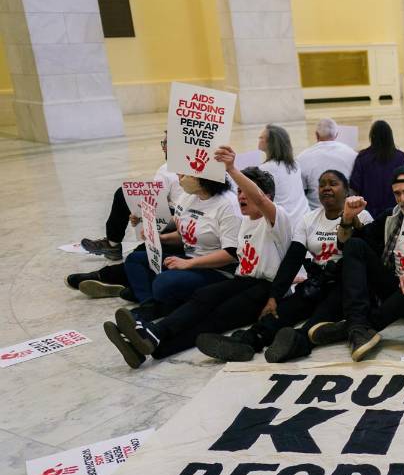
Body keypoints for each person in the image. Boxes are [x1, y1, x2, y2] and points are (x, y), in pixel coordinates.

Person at [104, 150, 291, 368]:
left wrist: (230, 169)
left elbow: (256, 199)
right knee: (204, 298)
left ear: (266, 197)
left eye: (245, 192)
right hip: (243, 280)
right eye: (239, 191)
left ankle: (153, 333)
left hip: (266, 286)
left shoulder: (278, 219)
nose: (240, 195)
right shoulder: (247, 221)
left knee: (215, 316)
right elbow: (182, 227)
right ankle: (150, 344)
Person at [196, 169, 372, 363]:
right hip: (316, 282)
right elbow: (292, 259)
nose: (326, 188)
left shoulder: (362, 216)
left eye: (333, 183)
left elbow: (367, 256)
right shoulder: (309, 219)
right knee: (281, 311)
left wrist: (351, 219)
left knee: (318, 321)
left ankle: (299, 342)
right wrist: (274, 297)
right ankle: (248, 340)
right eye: (322, 184)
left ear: (347, 190)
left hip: (345, 286)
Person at [307, 165, 404, 360]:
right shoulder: (391, 216)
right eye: (397, 194)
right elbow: (345, 244)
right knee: (356, 245)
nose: (403, 199)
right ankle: (357, 324)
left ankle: (359, 326)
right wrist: (348, 217)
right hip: (394, 287)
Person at [114, 173, 241, 318]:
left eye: (186, 174)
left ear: (205, 179)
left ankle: (152, 296)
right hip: (189, 258)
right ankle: (150, 304)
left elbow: (231, 254)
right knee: (134, 259)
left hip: (218, 269)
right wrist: (154, 231)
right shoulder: (188, 196)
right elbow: (184, 232)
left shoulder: (228, 206)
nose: (179, 176)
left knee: (163, 282)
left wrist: (189, 264)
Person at [78, 137, 180, 261]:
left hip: (184, 219)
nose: (163, 147)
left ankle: (113, 244)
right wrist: (141, 215)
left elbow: (158, 202)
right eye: (163, 143)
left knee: (123, 194)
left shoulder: (167, 170)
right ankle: (113, 245)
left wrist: (144, 215)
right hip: (180, 217)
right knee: (126, 194)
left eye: (166, 143)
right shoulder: (168, 169)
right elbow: (157, 200)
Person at [351, 119, 404, 218]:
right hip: (396, 213)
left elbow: (354, 187)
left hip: (369, 215)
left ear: (372, 137)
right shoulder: (401, 158)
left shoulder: (362, 158)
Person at [297, 118, 357, 209]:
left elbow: (300, 193)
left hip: (314, 213)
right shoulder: (352, 154)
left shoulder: (301, 158)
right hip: (346, 210)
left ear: (316, 135)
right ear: (336, 135)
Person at [258, 124, 309, 226]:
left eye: (262, 137)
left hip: (285, 225)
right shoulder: (295, 165)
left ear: (271, 143)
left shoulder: (264, 169)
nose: (259, 139)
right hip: (304, 219)